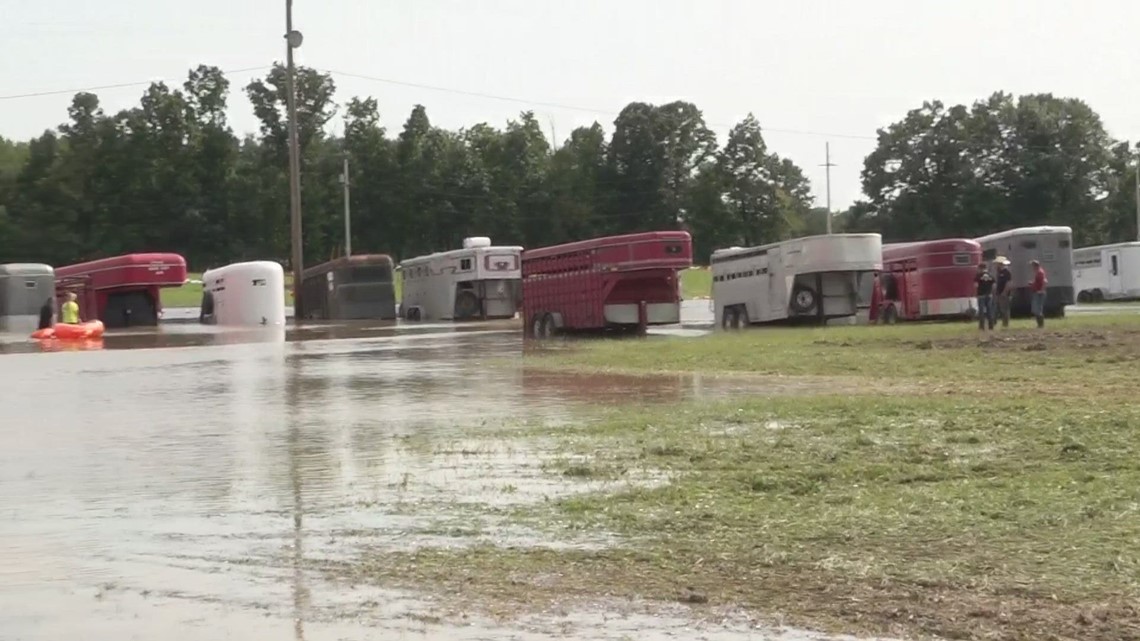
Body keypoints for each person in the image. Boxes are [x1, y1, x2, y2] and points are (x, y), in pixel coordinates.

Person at [974, 262, 995, 330]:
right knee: (989, 310)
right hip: (989, 295)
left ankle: (982, 326)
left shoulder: (978, 276)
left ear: (980, 268)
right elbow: (994, 285)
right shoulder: (991, 275)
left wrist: (975, 293)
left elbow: (976, 285)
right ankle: (991, 325)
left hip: (981, 295)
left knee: (981, 311)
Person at [993, 256, 1013, 328]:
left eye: (997, 263)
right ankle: (993, 323)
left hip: (1005, 294)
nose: (996, 265)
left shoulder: (1007, 272)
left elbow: (1009, 283)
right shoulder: (999, 272)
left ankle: (1005, 324)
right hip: (999, 293)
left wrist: (1004, 292)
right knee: (996, 309)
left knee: (1004, 309)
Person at [1030, 259, 1048, 328]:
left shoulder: (1040, 272)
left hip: (1039, 293)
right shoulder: (1037, 272)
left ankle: (1041, 324)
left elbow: (1045, 282)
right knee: (1036, 309)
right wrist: (1032, 284)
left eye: (1032, 266)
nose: (1032, 267)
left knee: (1037, 309)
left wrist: (1041, 290)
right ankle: (1039, 324)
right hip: (1036, 292)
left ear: (1035, 266)